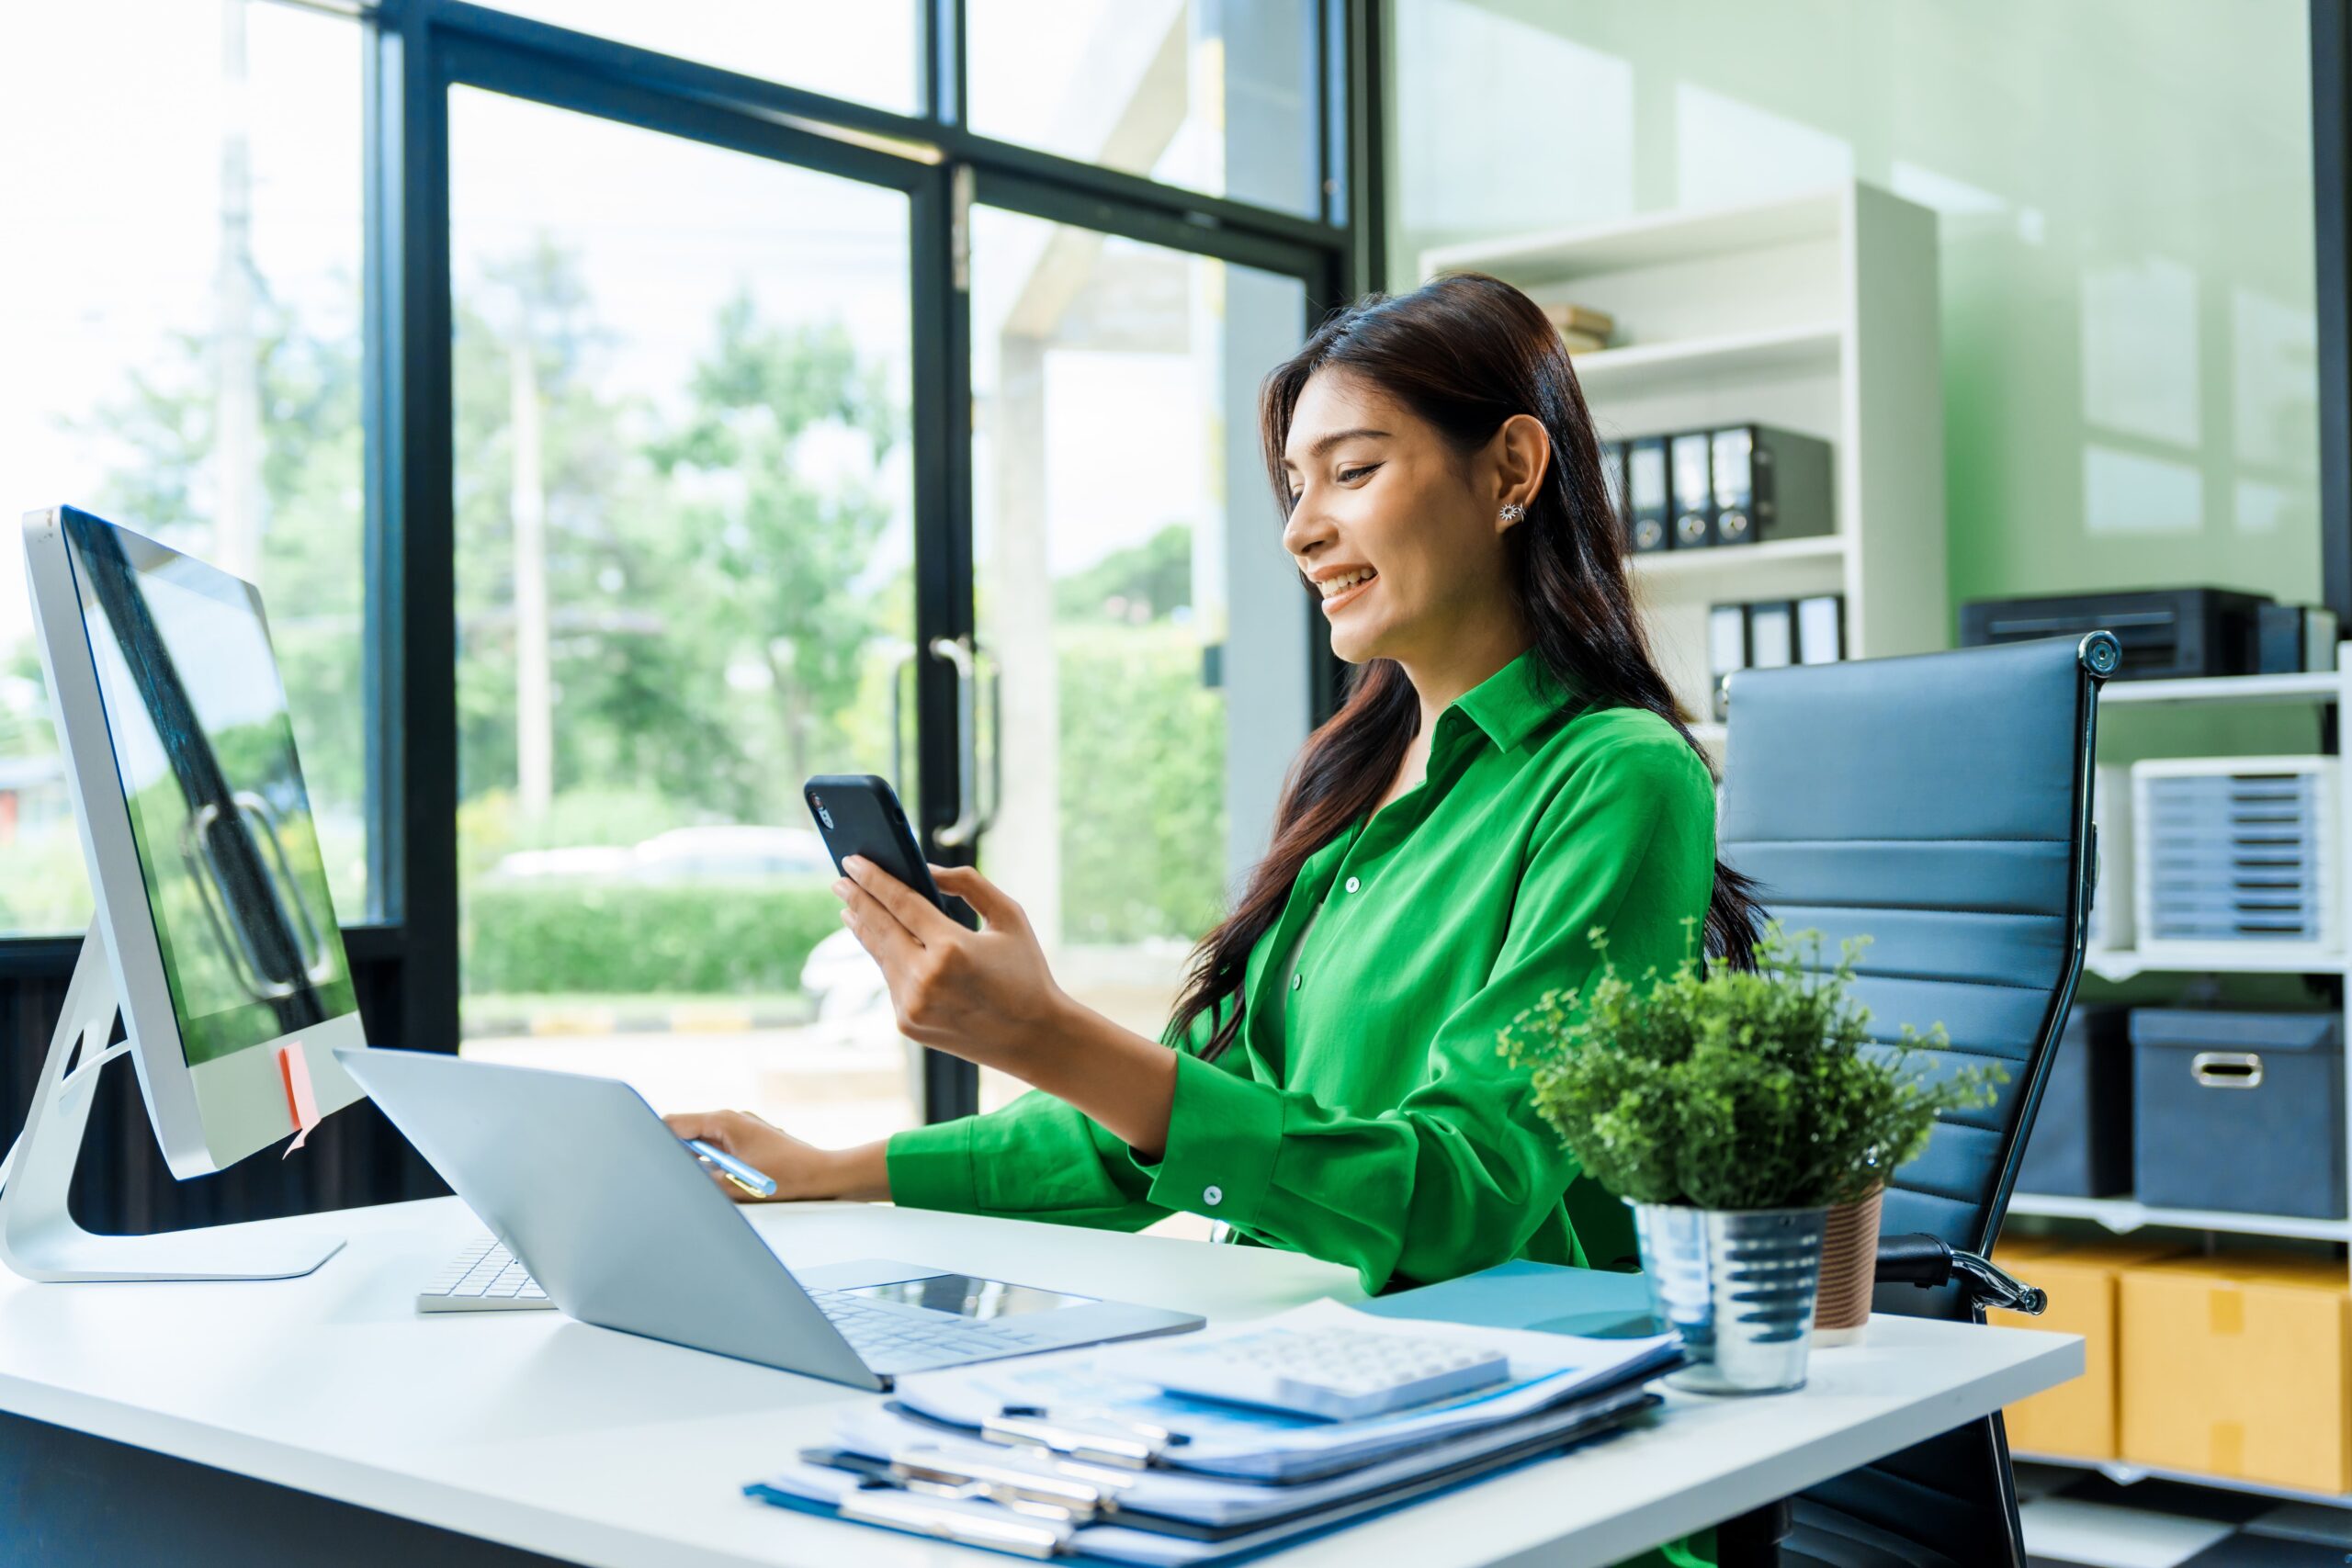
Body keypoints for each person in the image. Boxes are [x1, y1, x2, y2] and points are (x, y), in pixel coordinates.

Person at [669, 272, 1763, 1294]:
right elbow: (1145, 1127)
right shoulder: (1351, 791)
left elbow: (1462, 1196)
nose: (1300, 529)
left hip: (1513, 1405)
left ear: (1512, 471)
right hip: (1298, 1353)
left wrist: (1048, 1032)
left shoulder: (1619, 776)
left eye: (1353, 470)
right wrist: (821, 1168)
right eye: (1295, 484)